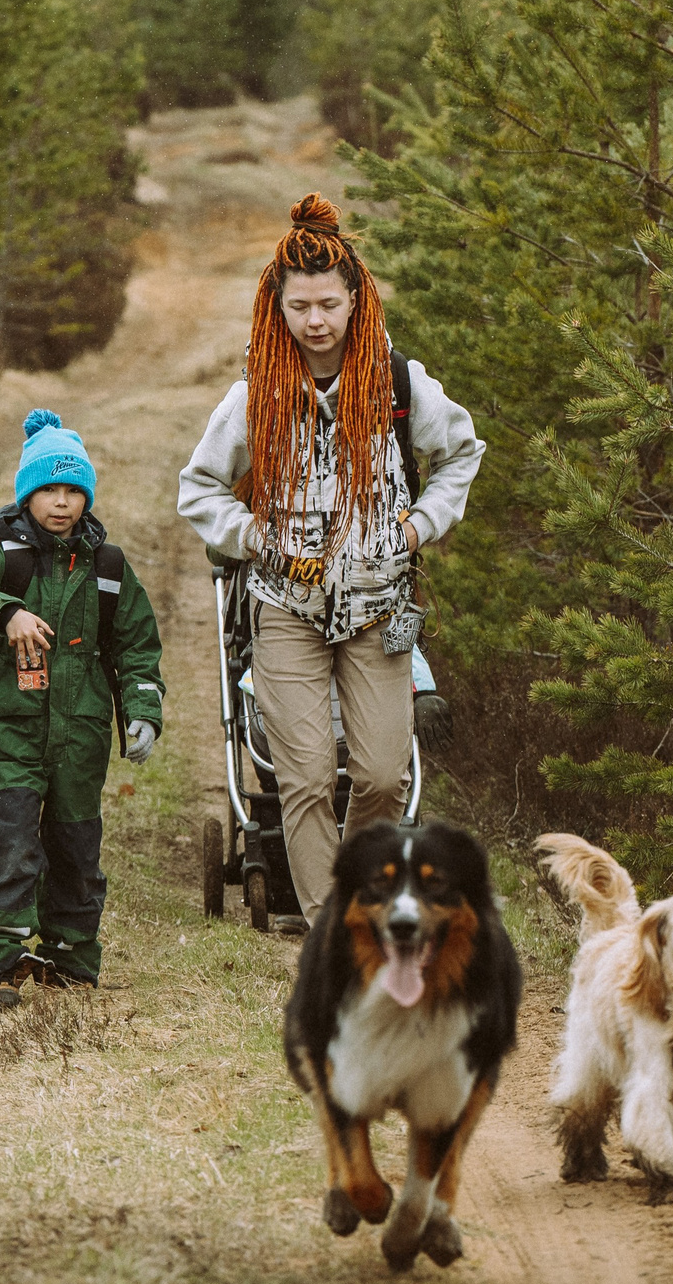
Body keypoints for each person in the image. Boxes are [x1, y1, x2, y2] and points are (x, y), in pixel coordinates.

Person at [177, 194, 484, 928]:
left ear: (355, 301)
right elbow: (199, 487)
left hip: (378, 608)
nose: (315, 321)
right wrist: (254, 537)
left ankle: (354, 886)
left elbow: (461, 455)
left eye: (328, 305)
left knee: (380, 774)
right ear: (276, 308)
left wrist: (417, 527)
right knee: (306, 776)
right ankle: (331, 924)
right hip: (287, 608)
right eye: (300, 306)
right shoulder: (254, 399)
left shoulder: (400, 386)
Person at [0, 410, 165, 1016]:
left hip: (82, 733)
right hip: (14, 729)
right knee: (14, 840)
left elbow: (138, 647)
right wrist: (6, 611)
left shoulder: (110, 569)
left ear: (87, 498)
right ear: (27, 495)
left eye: (73, 492)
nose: (62, 504)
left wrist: (143, 709)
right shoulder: (5, 557)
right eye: (48, 491)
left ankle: (70, 956)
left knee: (75, 845)